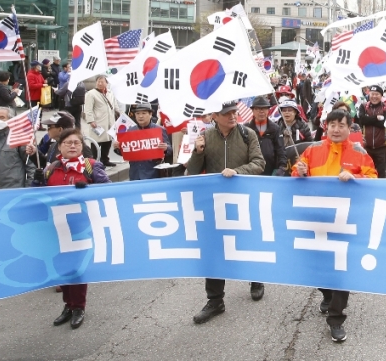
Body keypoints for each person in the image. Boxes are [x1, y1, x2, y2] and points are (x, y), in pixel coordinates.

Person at [293, 108, 377, 343]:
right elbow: (297, 173)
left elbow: (373, 178)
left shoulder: (359, 152)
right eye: (332, 125)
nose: (336, 129)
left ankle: (336, 318)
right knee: (316, 267)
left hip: (345, 223)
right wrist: (298, 171)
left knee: (341, 270)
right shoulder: (312, 149)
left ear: (350, 128)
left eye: (341, 125)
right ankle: (327, 294)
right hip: (316, 220)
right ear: (325, 127)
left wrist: (355, 177)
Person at [186, 101, 266, 323]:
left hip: (243, 198)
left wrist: (237, 171)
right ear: (215, 116)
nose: (232, 116)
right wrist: (197, 152)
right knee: (214, 250)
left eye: (233, 112)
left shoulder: (247, 134)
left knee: (247, 243)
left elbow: (259, 163)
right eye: (226, 113)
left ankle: (256, 279)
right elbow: (192, 170)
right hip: (215, 202)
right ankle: (215, 300)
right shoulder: (205, 136)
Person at [32, 128, 110, 329]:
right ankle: (68, 305)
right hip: (56, 228)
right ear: (59, 147)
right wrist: (37, 182)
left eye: (77, 142)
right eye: (68, 143)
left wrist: (90, 188)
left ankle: (78, 307)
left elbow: (109, 190)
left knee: (76, 268)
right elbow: (37, 199)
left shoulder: (90, 166)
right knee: (62, 267)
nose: (73, 146)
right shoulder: (51, 169)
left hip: (81, 227)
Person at [121, 102, 170, 180]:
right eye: (138, 113)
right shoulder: (130, 131)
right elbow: (124, 152)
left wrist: (166, 148)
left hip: (153, 173)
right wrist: (118, 147)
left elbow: (170, 150)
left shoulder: (159, 130)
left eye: (144, 113)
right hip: (135, 174)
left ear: (150, 114)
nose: (140, 116)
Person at [246, 96, 287, 178]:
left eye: (264, 108)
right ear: (253, 110)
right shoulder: (246, 129)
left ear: (268, 110)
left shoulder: (275, 128)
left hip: (270, 171)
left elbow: (281, 149)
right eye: (258, 108)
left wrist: (282, 166)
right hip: (251, 170)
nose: (261, 111)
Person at [357, 84, 386, 178]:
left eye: (377, 94)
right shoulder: (364, 106)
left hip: (382, 147)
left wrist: (369, 119)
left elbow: (384, 123)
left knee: (381, 174)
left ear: (381, 96)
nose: (374, 96)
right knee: (366, 173)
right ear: (369, 95)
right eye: (372, 94)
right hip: (366, 147)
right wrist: (377, 118)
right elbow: (362, 120)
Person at [83, 76, 119, 169]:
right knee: (96, 142)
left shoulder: (110, 93)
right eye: (98, 81)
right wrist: (91, 120)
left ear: (106, 83)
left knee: (107, 141)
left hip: (109, 121)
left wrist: (120, 114)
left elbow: (115, 106)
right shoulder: (91, 94)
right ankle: (94, 161)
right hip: (98, 122)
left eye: (102, 82)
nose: (100, 83)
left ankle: (105, 159)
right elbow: (88, 109)